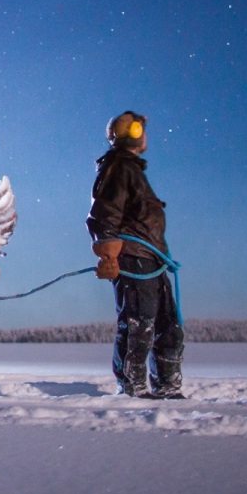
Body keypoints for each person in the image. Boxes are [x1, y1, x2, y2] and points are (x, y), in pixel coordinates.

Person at [86, 111, 184, 399]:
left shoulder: (131, 170)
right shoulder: (118, 167)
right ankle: (133, 389)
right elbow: (104, 213)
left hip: (152, 260)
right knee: (138, 326)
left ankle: (168, 388)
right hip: (134, 260)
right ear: (134, 133)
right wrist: (109, 254)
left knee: (168, 327)